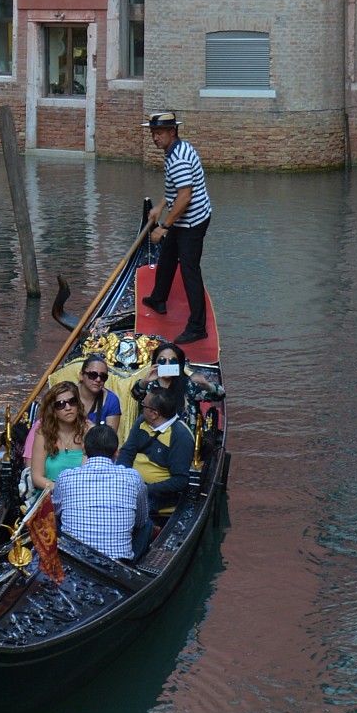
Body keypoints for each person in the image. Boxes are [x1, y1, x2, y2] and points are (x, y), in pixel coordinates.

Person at [144, 111, 211, 343]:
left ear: (173, 131)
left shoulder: (178, 158)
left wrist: (163, 226)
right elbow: (174, 189)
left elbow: (184, 196)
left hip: (192, 221)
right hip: (183, 217)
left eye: (159, 133)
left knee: (190, 271)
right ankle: (158, 298)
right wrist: (160, 206)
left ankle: (197, 327)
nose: (155, 138)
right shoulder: (175, 150)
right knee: (169, 255)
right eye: (153, 133)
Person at [51, 427, 152, 563]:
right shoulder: (133, 477)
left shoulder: (65, 477)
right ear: (117, 452)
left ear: (84, 450)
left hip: (76, 560)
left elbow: (56, 511)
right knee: (148, 524)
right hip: (119, 562)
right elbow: (141, 521)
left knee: (54, 517)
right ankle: (132, 565)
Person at [118, 376, 196, 516]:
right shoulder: (142, 421)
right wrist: (122, 478)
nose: (141, 407)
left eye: (144, 405)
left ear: (154, 414)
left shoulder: (180, 436)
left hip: (157, 498)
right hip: (131, 488)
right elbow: (127, 451)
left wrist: (144, 489)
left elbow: (179, 481)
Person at [25, 380, 85, 495]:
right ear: (53, 410)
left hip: (81, 495)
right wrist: (62, 491)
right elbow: (36, 477)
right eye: (60, 404)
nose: (68, 408)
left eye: (72, 402)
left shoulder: (88, 431)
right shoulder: (43, 433)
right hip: (49, 494)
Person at [79, 352, 122, 432]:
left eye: (103, 377)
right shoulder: (68, 395)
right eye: (93, 375)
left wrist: (94, 431)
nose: (98, 380)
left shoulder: (111, 400)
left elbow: (110, 440)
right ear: (81, 375)